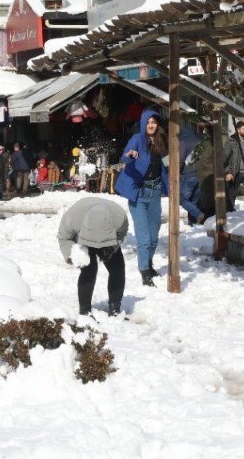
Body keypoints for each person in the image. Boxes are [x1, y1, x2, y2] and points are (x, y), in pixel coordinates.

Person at [115, 109, 168, 287]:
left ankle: (149, 263)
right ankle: (144, 271)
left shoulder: (161, 141)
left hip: (155, 194)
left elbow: (166, 165)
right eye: (148, 122)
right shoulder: (137, 139)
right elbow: (125, 156)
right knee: (144, 238)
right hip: (139, 194)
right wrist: (130, 156)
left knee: (154, 237)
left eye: (154, 122)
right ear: (144, 123)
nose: (151, 125)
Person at [58, 196, 128, 316]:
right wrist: (71, 256)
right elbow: (63, 238)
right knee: (89, 269)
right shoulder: (72, 218)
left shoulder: (119, 217)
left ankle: (115, 307)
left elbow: (121, 234)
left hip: (108, 241)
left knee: (118, 268)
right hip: (85, 240)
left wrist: (112, 248)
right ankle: (85, 310)